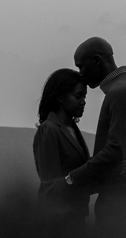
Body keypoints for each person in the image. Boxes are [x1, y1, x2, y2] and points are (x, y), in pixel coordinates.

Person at [62, 37, 126, 229]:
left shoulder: (121, 92)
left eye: (81, 67)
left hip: (124, 196)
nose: (80, 74)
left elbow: (115, 152)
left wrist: (72, 179)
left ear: (97, 61)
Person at [31, 68, 91, 222]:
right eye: (78, 96)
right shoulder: (49, 130)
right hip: (58, 220)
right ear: (60, 97)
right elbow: (51, 185)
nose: (83, 101)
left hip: (76, 216)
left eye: (84, 96)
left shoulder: (72, 130)